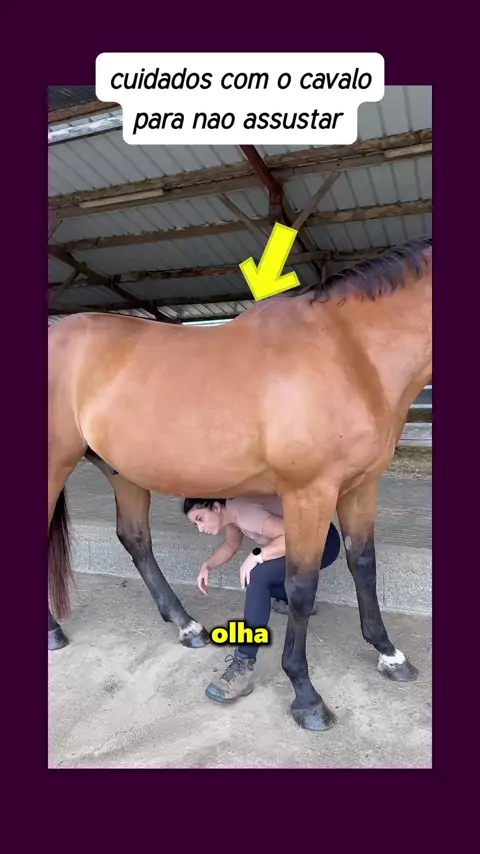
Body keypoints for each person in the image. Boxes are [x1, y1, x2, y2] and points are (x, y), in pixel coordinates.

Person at [183, 495, 341, 704]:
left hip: (322, 542)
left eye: (200, 519)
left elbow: (293, 538)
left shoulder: (245, 513)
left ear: (215, 508)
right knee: (261, 581)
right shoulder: (230, 514)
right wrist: (208, 565)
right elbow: (231, 543)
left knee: (257, 576)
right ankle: (297, 599)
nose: (200, 528)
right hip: (303, 539)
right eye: (195, 523)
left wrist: (257, 555)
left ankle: (243, 666)